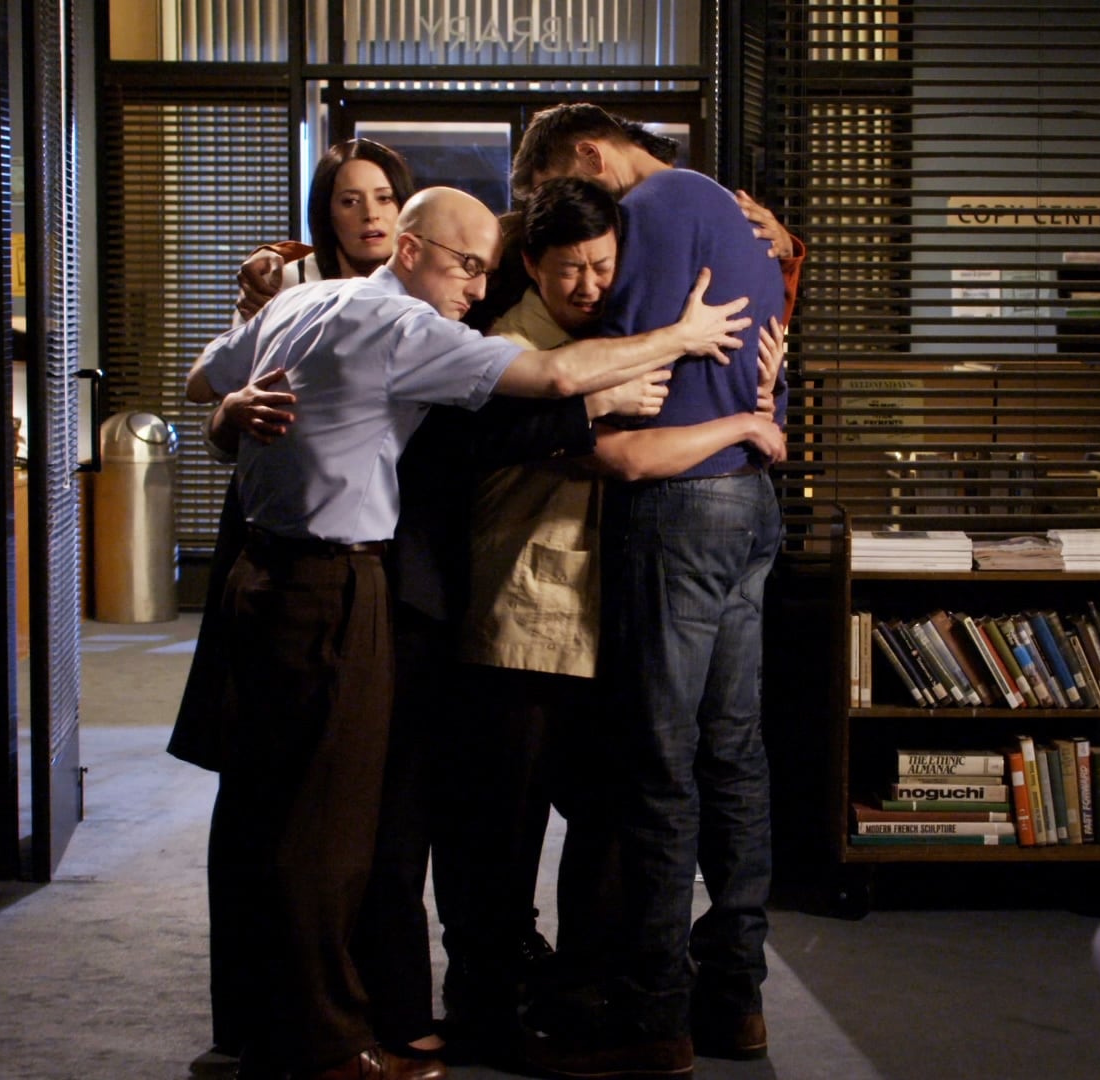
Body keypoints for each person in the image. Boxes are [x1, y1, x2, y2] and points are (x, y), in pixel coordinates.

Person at [185, 184, 752, 1080]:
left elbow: (202, 380)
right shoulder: (403, 325)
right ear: (410, 250)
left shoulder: (310, 300)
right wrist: (684, 340)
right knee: (332, 833)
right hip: (339, 582)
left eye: (486, 269)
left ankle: (294, 1031)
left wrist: (228, 411)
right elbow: (553, 384)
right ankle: (324, 1043)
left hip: (279, 576)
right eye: (467, 266)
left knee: (299, 820)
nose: (476, 287)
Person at [440, 176, 789, 1056]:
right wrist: (734, 425)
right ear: (532, 265)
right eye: (570, 269)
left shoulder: (617, 333)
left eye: (604, 266)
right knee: (505, 828)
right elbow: (621, 457)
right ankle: (490, 1005)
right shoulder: (513, 344)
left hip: (603, 618)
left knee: (614, 818)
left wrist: (762, 379)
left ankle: (592, 990)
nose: (590, 284)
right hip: (523, 617)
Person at [169, 136, 417, 1080]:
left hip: (382, 563)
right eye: (350, 199)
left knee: (363, 817)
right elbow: (213, 398)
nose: (370, 213)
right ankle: (256, 1025)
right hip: (279, 556)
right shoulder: (290, 291)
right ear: (326, 212)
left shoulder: (426, 294)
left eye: (383, 196)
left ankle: (365, 1017)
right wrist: (227, 412)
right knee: (262, 802)